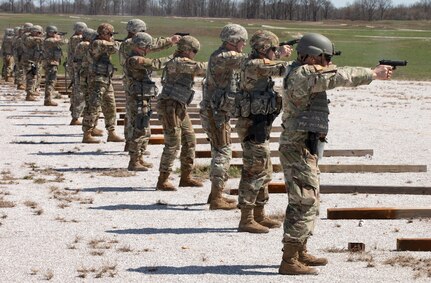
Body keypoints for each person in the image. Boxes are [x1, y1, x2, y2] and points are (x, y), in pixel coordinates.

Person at [278, 33, 393, 275]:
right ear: (311, 56)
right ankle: (289, 261)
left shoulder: (301, 71)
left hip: (302, 146)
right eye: (325, 57)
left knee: (304, 200)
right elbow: (341, 76)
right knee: (305, 202)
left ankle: (299, 251)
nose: (328, 62)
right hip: (298, 148)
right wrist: (373, 73)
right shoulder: (304, 74)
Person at [234, 30, 292, 233]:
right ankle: (246, 218)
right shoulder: (254, 64)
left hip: (259, 124)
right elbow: (284, 69)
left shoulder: (257, 63)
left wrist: (280, 53)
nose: (275, 53)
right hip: (252, 125)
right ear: (264, 49)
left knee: (264, 170)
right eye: (273, 49)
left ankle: (259, 214)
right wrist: (285, 56)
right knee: (254, 171)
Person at [200, 23, 248, 210]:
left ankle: (215, 194)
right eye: (241, 41)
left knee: (217, 151)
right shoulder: (224, 57)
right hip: (216, 113)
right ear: (233, 41)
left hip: (217, 111)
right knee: (223, 152)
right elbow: (249, 61)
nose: (244, 44)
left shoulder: (223, 56)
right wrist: (274, 54)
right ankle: (217, 198)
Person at [119, 18, 180, 154]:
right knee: (138, 119)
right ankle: (135, 148)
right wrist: (171, 43)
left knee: (132, 114)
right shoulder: (131, 44)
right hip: (136, 83)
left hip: (133, 82)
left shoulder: (128, 44)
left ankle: (132, 145)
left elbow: (152, 46)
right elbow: (154, 51)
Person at [156, 36, 207, 191]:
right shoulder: (179, 62)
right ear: (186, 50)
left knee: (190, 139)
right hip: (170, 107)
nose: (195, 54)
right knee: (172, 143)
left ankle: (186, 176)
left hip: (179, 106)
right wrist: (221, 62)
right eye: (194, 51)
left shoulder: (182, 61)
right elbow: (200, 68)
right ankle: (162, 179)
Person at [124, 32, 173, 171]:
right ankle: (133, 161)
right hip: (137, 99)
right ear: (141, 46)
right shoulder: (134, 59)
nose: (149, 49)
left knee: (143, 128)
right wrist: (172, 57)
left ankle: (139, 158)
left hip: (142, 98)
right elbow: (155, 64)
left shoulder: (137, 57)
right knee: (138, 129)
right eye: (147, 46)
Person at [81, 23, 124, 143]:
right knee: (93, 106)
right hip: (96, 81)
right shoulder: (97, 43)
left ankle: (111, 132)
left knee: (110, 106)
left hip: (105, 79)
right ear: (102, 34)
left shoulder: (105, 43)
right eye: (110, 34)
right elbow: (115, 48)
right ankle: (87, 133)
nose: (111, 37)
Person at [75, 28, 104, 138]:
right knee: (91, 103)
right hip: (87, 76)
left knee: (94, 103)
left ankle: (92, 127)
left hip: (88, 75)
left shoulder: (84, 44)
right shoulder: (84, 44)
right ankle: (88, 131)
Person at [42, 25, 68, 106]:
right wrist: (61, 38)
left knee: (51, 81)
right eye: (54, 32)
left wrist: (58, 36)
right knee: (50, 81)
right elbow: (62, 42)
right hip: (51, 63)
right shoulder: (49, 40)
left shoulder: (50, 40)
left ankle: (48, 99)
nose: (55, 34)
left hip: (51, 63)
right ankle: (48, 100)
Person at [68, 22, 88, 125]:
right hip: (78, 67)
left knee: (76, 90)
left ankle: (75, 111)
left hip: (74, 66)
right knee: (79, 91)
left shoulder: (74, 38)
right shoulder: (77, 38)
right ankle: (75, 116)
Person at [22, 25, 44, 101]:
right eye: (38, 32)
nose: (39, 34)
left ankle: (31, 92)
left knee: (33, 77)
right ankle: (29, 95)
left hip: (32, 60)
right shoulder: (29, 38)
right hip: (29, 60)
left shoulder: (33, 38)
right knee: (30, 78)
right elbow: (40, 40)